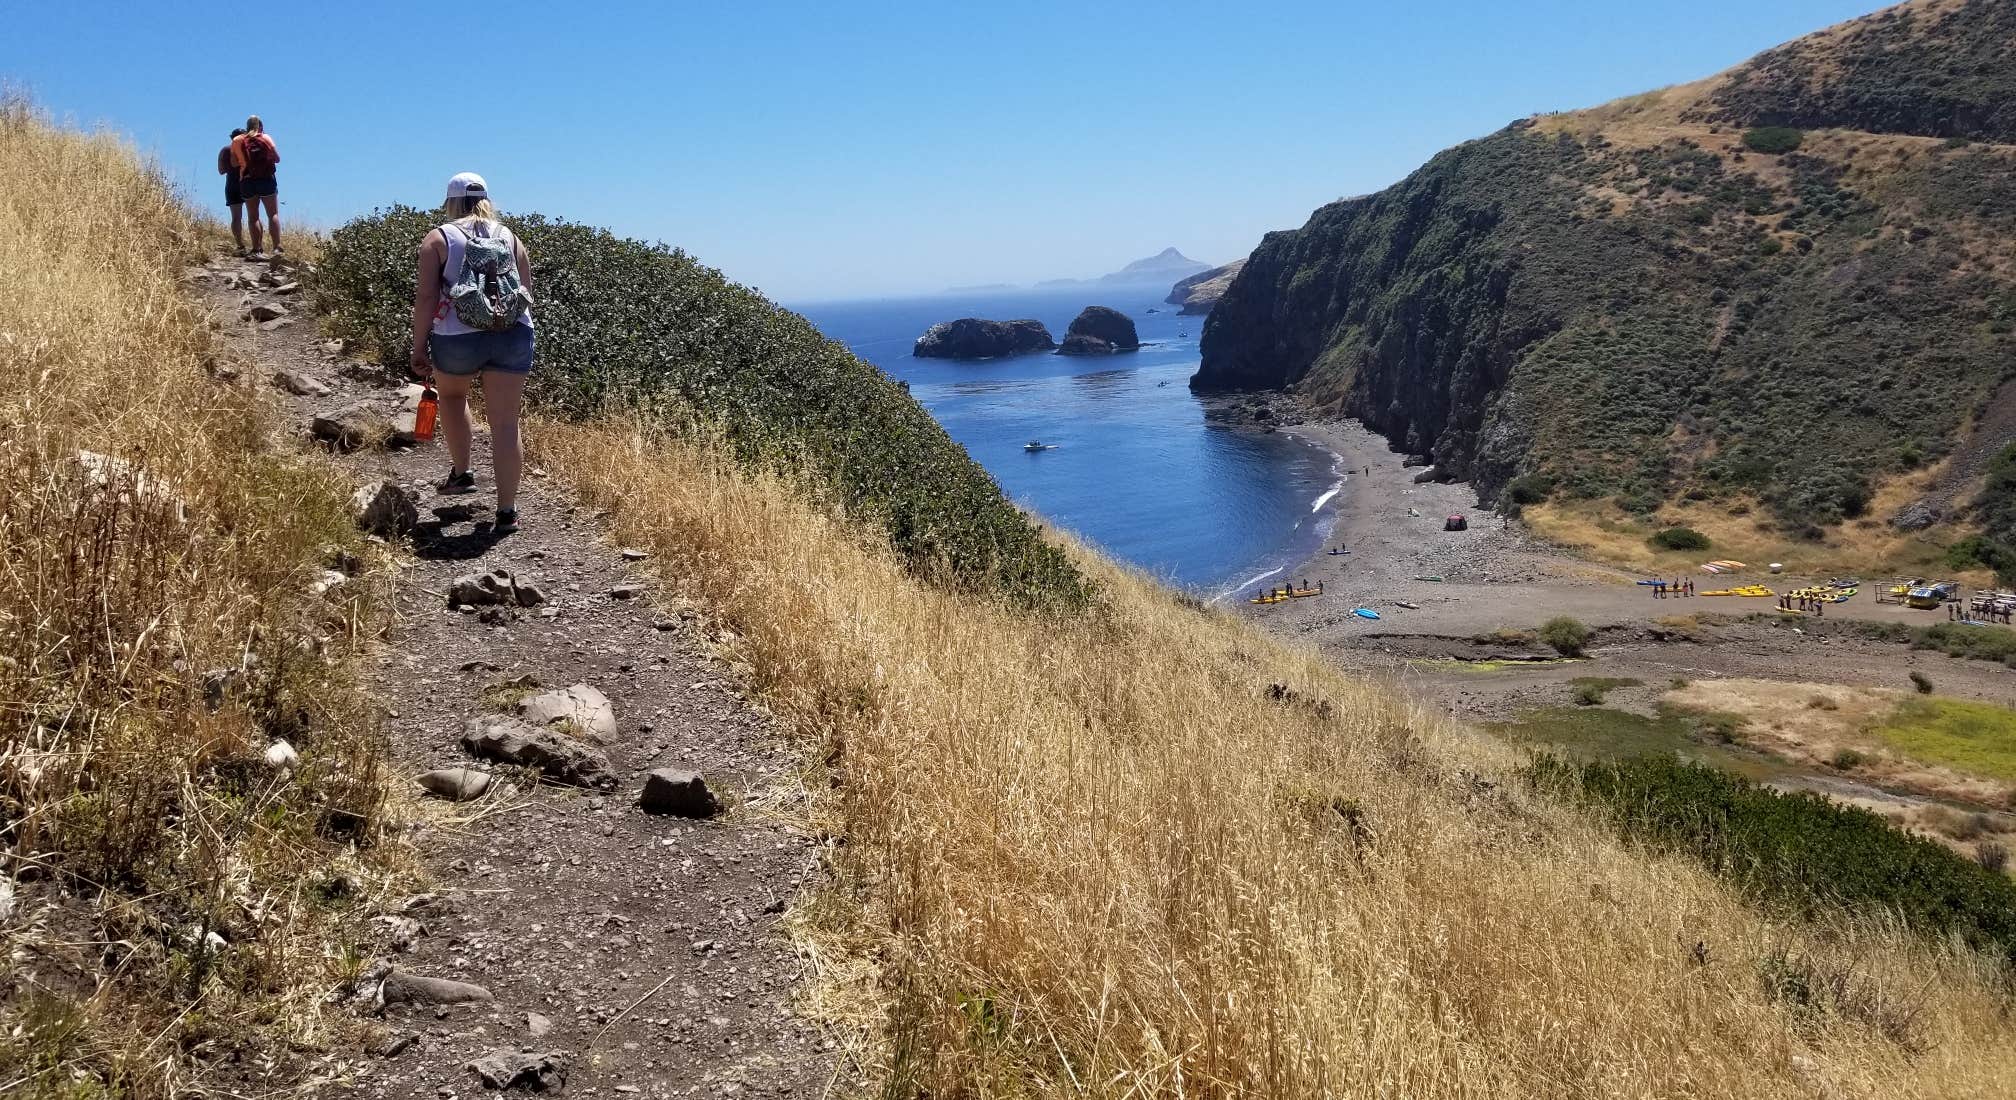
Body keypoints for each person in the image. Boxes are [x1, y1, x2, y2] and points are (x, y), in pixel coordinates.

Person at [409, 172, 534, 534]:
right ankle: (507, 513)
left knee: (451, 394)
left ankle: (462, 472)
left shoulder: (438, 238)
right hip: (512, 334)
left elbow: (427, 299)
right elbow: (526, 291)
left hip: (457, 337)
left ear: (451, 202)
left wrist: (419, 346)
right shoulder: (510, 237)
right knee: (506, 423)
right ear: (486, 199)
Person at [231, 115, 282, 257]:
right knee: (273, 214)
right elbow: (277, 158)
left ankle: (256, 249)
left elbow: (234, 163)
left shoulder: (237, 141)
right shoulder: (265, 138)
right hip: (266, 179)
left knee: (253, 217)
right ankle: (277, 247)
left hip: (247, 180)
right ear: (260, 126)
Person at [217, 127, 247, 254]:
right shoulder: (247, 149)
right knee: (253, 215)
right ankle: (258, 245)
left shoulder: (225, 150)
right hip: (247, 182)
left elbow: (221, 170)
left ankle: (240, 244)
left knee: (236, 217)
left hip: (232, 184)